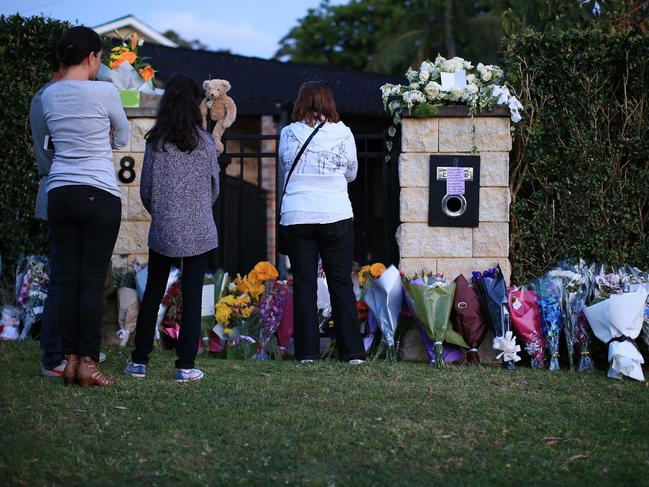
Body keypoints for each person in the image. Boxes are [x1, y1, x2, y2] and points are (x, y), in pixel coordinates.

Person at [42, 26, 129, 387]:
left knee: (68, 282)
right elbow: (122, 135)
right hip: (98, 193)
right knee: (91, 284)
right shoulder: (105, 91)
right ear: (93, 57)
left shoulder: (49, 95)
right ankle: (89, 364)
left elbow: (52, 142)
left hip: (60, 193)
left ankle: (70, 360)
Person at [123, 75, 219, 383]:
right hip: (199, 228)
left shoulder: (156, 142)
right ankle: (185, 365)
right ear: (195, 105)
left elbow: (146, 190)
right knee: (192, 297)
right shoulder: (205, 142)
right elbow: (214, 187)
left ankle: (139, 362)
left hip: (164, 227)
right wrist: (198, 209)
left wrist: (164, 213)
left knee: (153, 292)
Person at [30, 43, 106, 379]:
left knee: (71, 276)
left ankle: (72, 352)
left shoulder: (64, 95)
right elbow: (48, 153)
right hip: (60, 190)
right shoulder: (47, 98)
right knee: (63, 277)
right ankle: (53, 356)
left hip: (66, 190)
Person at [278, 81, 366, 364]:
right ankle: (352, 352)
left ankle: (306, 353)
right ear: (329, 102)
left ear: (301, 101)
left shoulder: (288, 134)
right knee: (341, 282)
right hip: (335, 214)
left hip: (297, 215)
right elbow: (351, 173)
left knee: (304, 284)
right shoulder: (344, 133)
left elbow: (284, 166)